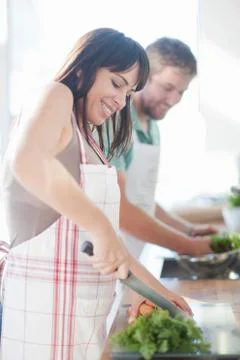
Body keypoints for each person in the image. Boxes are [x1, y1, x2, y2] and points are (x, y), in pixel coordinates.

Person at [0, 29, 192, 360]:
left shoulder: (90, 141)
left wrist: (163, 297)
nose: (121, 101)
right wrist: (103, 227)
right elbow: (26, 159)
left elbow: (108, 248)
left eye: (129, 93)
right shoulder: (55, 94)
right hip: (42, 324)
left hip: (82, 326)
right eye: (117, 83)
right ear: (82, 69)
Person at [103, 37, 217, 260]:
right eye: (167, 88)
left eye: (181, 92)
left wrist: (188, 230)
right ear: (143, 77)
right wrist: (189, 246)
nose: (173, 100)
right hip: (111, 255)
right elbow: (120, 209)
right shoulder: (118, 121)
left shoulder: (152, 127)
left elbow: (142, 200)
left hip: (136, 254)